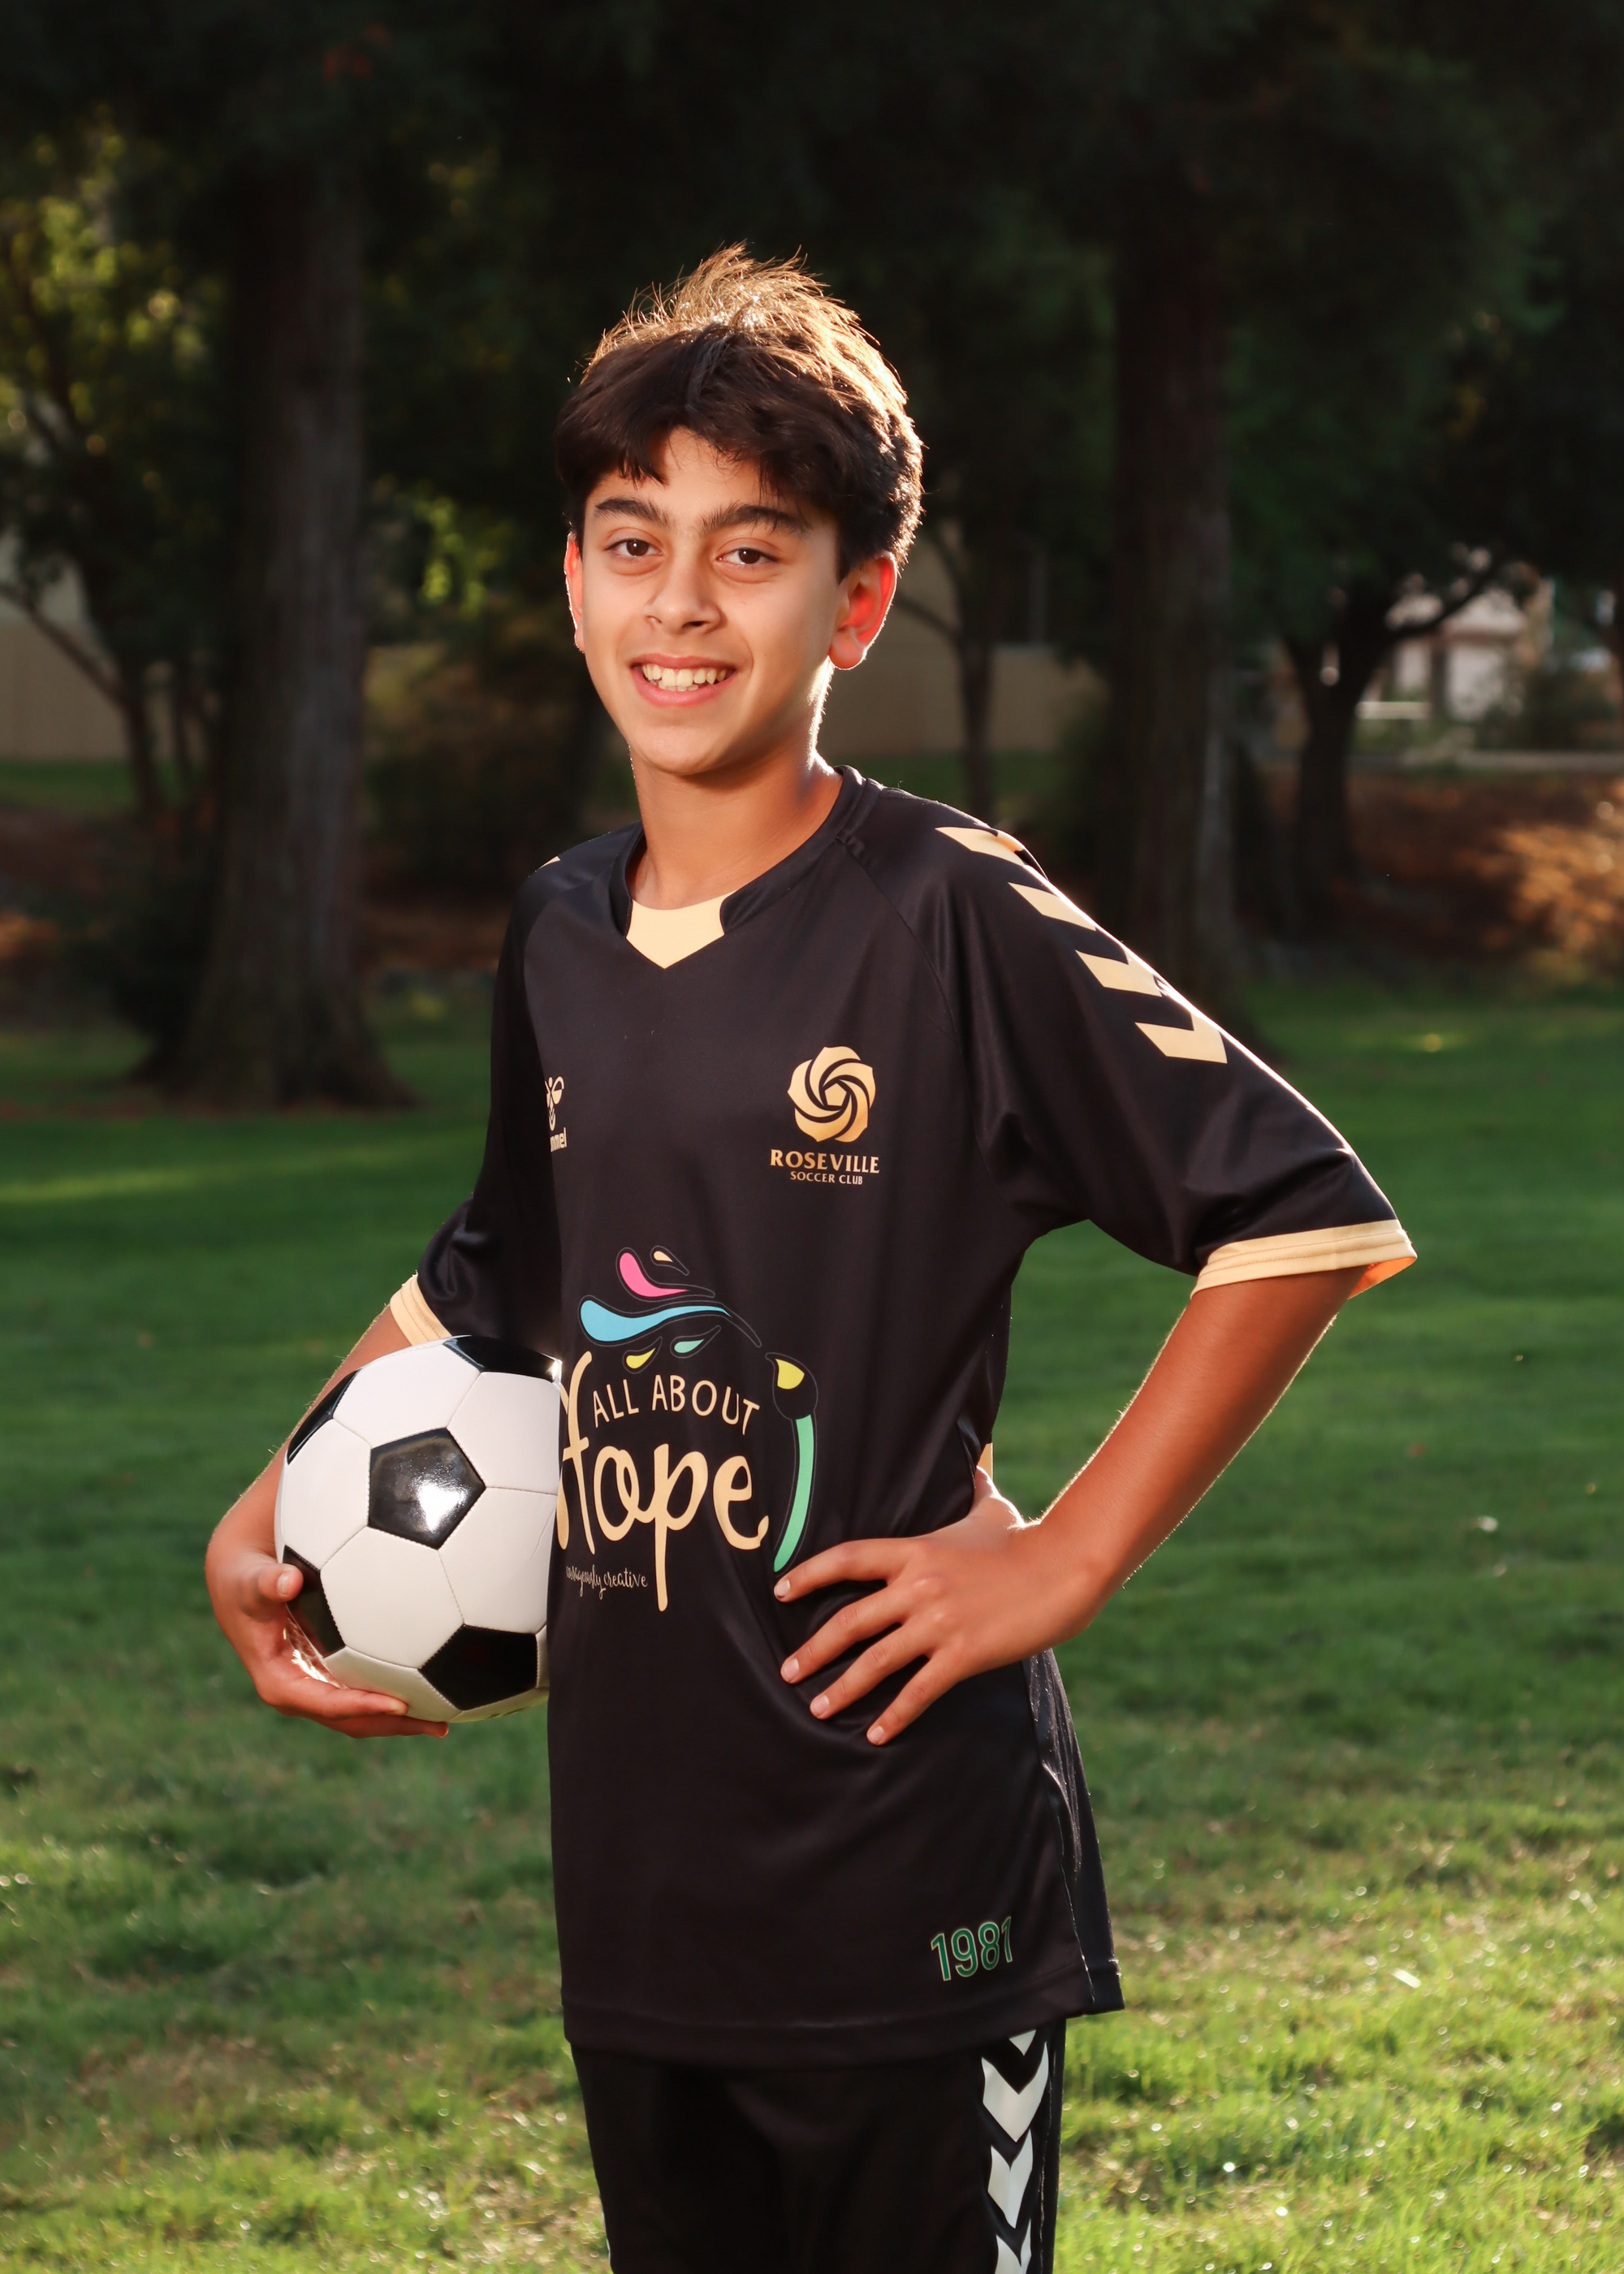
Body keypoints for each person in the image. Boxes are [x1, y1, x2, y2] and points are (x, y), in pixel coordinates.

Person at [206, 249, 1415, 2274]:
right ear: (574, 580)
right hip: (646, 1896)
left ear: (855, 601)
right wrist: (275, 1486)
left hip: (909, 1884)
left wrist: (1066, 1555)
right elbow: (500, 1265)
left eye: (749, 549)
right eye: (633, 541)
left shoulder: (948, 913)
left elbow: (1297, 1214)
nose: (680, 600)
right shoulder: (560, 925)